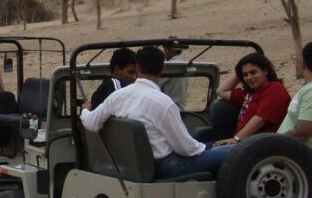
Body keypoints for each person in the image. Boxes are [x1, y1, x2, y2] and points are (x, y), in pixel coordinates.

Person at [81, 46, 233, 178]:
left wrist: (85, 110)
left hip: (137, 164)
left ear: (138, 68)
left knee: (216, 146)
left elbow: (91, 123)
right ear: (162, 69)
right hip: (167, 166)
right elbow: (186, 149)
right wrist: (205, 148)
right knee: (239, 150)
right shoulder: (164, 103)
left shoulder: (118, 97)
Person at [213, 52, 291, 145]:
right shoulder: (250, 93)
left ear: (265, 71)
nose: (249, 77)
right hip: (243, 143)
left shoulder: (274, 89)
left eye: (253, 72)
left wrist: (237, 139)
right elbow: (220, 91)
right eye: (245, 75)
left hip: (258, 145)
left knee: (201, 157)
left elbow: (261, 119)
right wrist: (240, 72)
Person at [159, 38, 188, 109]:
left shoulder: (169, 66)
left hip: (168, 109)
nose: (165, 54)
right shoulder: (185, 65)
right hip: (182, 109)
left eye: (165, 50)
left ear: (171, 50)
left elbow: (156, 86)